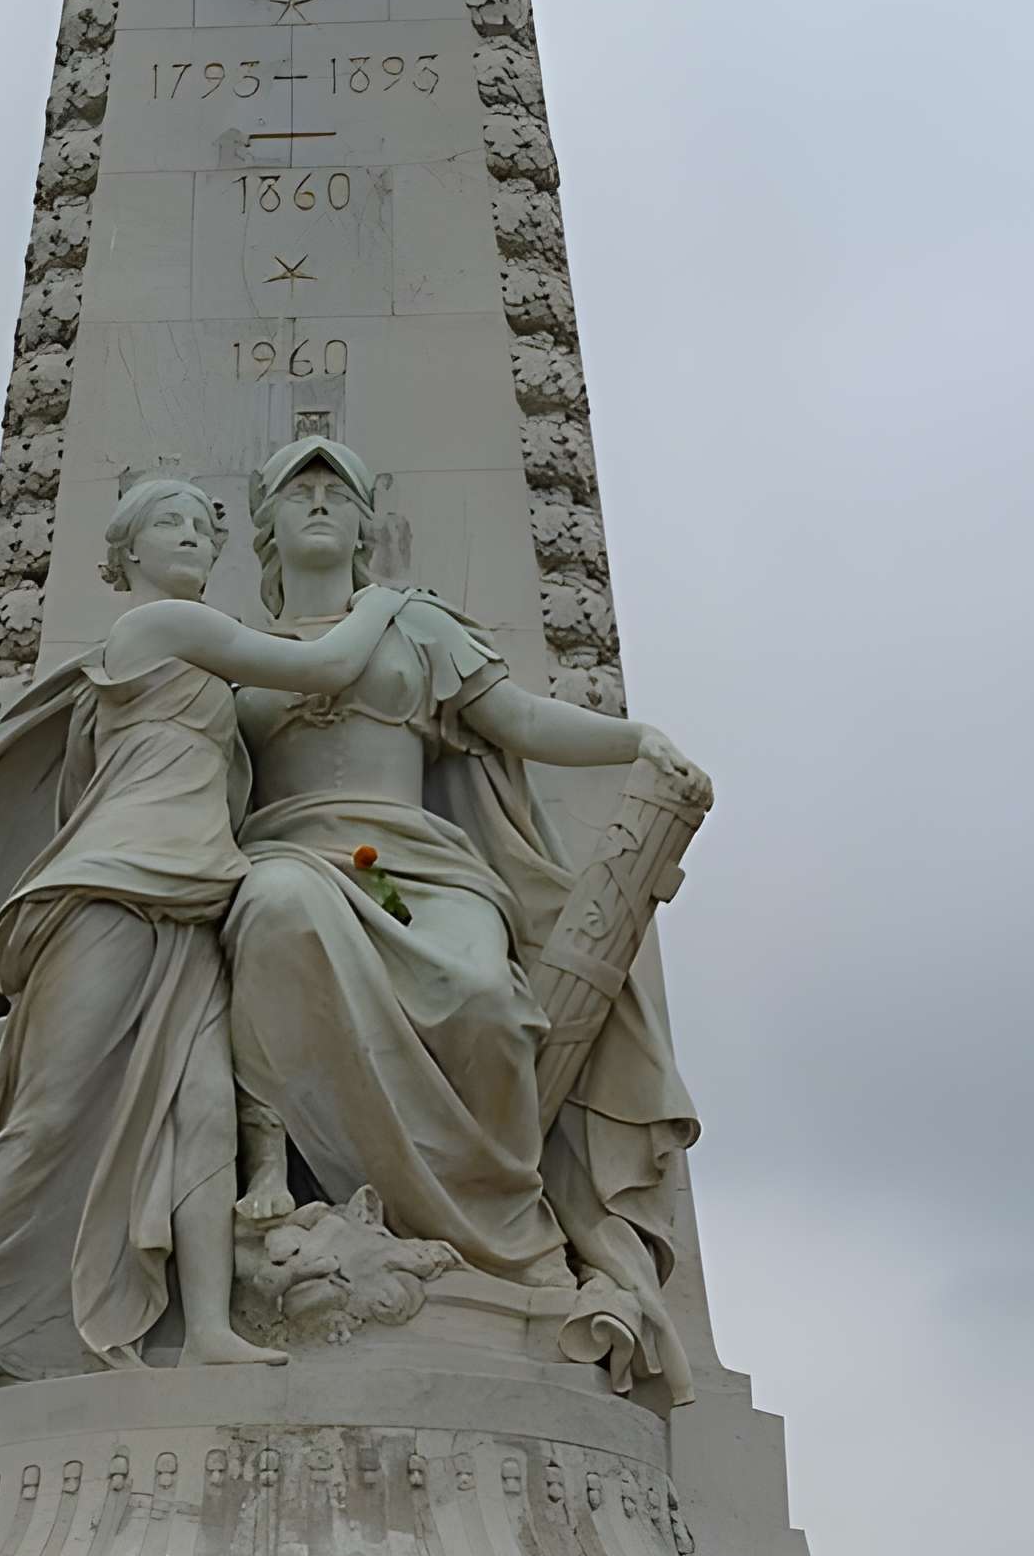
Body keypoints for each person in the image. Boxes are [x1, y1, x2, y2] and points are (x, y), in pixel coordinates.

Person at [0, 477, 407, 1497]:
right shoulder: (161, 626)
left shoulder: (189, 655)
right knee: (47, 1113)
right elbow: (322, 663)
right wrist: (384, 599)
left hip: (196, 901)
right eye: (170, 526)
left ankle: (205, 1332)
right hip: (111, 889)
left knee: (203, 1118)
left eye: (204, 527)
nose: (194, 538)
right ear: (127, 558)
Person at [224, 438, 711, 1401]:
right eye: (297, 491)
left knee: (486, 1001)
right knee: (276, 910)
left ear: (368, 525)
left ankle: (500, 1233)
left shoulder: (418, 627)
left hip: (421, 868)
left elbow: (521, 720)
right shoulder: (232, 648)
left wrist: (636, 738)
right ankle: (293, 1194)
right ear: (266, 526)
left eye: (338, 491)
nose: (318, 503)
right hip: (292, 853)